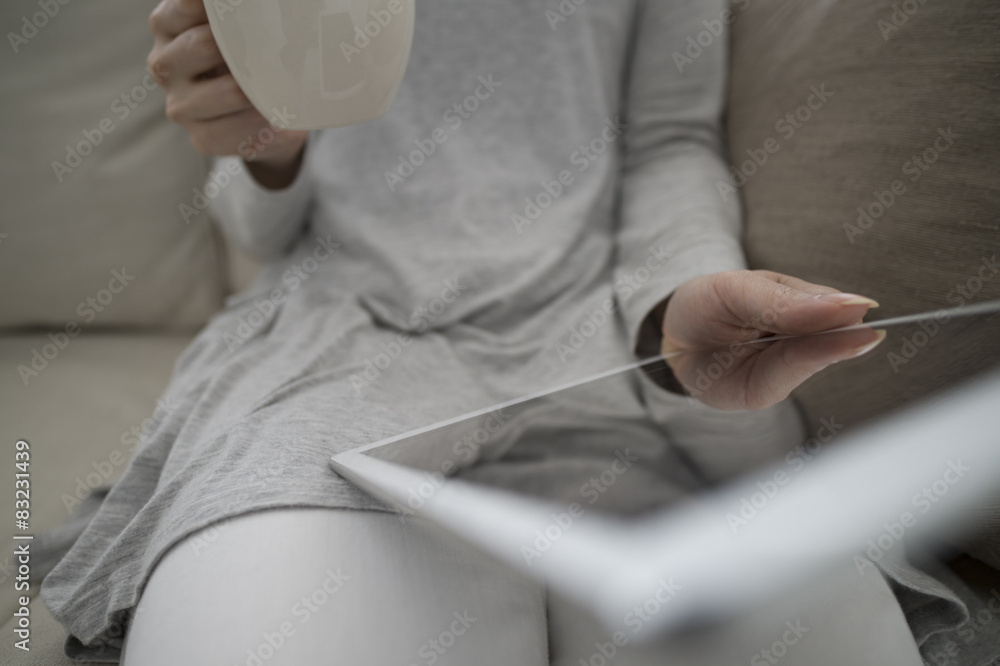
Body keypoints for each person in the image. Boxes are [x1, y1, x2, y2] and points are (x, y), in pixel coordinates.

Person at [40, 0, 886, 663]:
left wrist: (673, 309)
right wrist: (264, 146)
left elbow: (668, 139)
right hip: (342, 341)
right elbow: (260, 231)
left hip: (608, 355)